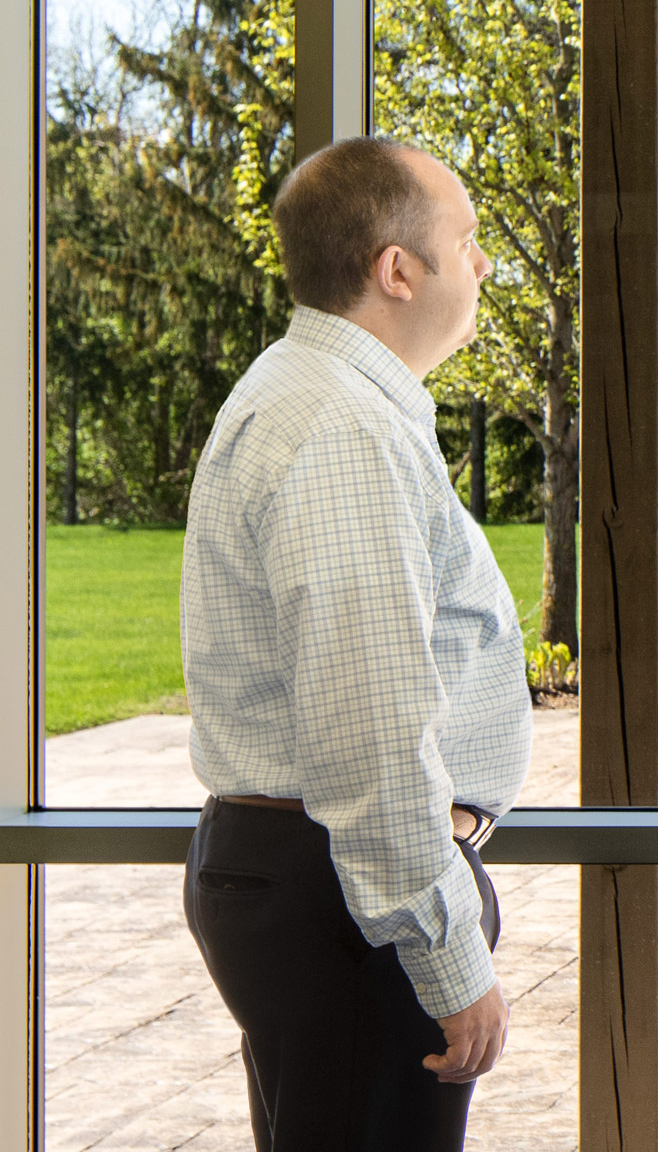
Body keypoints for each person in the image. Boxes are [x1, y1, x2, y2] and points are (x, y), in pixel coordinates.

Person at [179, 136, 534, 1150]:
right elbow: (367, 728)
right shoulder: (339, 428)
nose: (482, 265)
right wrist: (448, 957)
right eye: (466, 240)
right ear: (396, 268)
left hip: (325, 891)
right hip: (345, 905)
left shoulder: (325, 400)